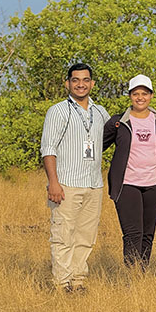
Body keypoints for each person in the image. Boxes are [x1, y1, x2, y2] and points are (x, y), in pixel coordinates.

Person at [41, 63, 110, 292]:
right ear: (67, 83)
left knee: (86, 236)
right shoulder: (58, 111)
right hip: (66, 184)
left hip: (93, 184)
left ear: (92, 83)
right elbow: (48, 149)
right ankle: (62, 283)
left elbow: (113, 136)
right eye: (75, 80)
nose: (81, 84)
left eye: (85, 80)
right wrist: (53, 182)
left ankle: (78, 281)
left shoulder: (100, 112)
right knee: (63, 235)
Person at [102, 74, 156, 269]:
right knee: (132, 233)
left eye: (144, 93)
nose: (140, 98)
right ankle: (131, 275)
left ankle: (142, 274)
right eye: (136, 93)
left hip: (154, 184)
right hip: (127, 184)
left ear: (151, 95)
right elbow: (97, 147)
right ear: (130, 96)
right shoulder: (118, 122)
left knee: (148, 234)